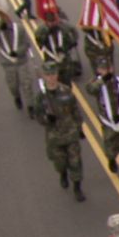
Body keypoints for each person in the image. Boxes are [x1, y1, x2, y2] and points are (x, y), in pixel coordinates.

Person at [34, 60, 86, 201]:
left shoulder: (66, 91)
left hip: (70, 133)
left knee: (75, 162)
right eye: (48, 74)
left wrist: (80, 127)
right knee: (60, 162)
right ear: (44, 76)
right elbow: (38, 117)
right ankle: (63, 173)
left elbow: (75, 110)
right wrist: (46, 119)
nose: (51, 77)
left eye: (53, 74)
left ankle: (77, 187)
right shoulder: (41, 96)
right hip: (54, 136)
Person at [86, 56, 119, 188]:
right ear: (98, 69)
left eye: (109, 68)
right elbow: (90, 89)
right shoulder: (96, 84)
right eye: (103, 69)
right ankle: (111, 159)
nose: (107, 71)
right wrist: (103, 80)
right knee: (110, 148)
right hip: (108, 123)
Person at [0, 11, 34, 111]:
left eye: (4, 16)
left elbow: (27, 43)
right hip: (8, 63)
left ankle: (30, 106)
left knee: (26, 84)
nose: (3, 18)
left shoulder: (18, 28)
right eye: (0, 16)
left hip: (21, 61)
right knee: (13, 85)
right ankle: (16, 96)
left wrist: (18, 52)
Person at [34, 10, 79, 87]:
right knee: (53, 80)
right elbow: (39, 40)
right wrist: (46, 34)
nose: (52, 23)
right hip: (51, 57)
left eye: (53, 21)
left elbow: (74, 34)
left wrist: (68, 46)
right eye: (49, 22)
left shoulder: (65, 27)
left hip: (64, 58)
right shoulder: (41, 30)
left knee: (66, 80)